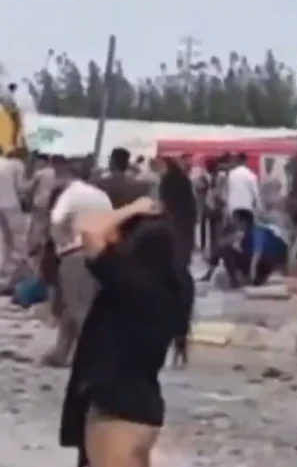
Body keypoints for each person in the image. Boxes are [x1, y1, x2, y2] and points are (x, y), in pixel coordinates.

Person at [59, 198, 193, 467]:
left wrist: (132, 209)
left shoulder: (131, 284)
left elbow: (88, 229)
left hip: (116, 414)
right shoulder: (172, 287)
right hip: (142, 408)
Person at [43, 156, 113, 366]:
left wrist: (60, 245)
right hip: (101, 254)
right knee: (75, 305)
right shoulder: (100, 195)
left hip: (75, 255)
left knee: (80, 308)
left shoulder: (69, 195)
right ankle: (61, 352)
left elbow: (55, 223)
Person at [220, 208, 287, 287]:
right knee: (226, 248)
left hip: (267, 266)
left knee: (227, 250)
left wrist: (252, 272)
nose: (235, 224)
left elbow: (258, 251)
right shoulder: (246, 236)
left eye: (236, 221)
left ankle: (238, 282)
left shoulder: (257, 231)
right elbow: (243, 254)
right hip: (262, 267)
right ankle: (245, 280)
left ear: (244, 222)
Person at [0, 148, 28, 278]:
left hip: (0, 206)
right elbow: (20, 187)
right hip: (13, 204)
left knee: (6, 239)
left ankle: (5, 267)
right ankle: (21, 268)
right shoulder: (18, 165)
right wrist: (33, 184)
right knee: (19, 239)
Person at [159, 156, 197, 272]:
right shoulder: (183, 178)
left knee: (176, 241)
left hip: (173, 215)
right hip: (186, 215)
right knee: (185, 240)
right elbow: (190, 198)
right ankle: (184, 261)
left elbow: (163, 199)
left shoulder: (166, 180)